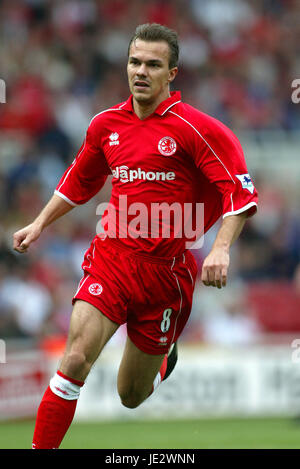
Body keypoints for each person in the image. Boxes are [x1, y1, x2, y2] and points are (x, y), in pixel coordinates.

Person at [13, 23, 258, 449]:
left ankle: (163, 361)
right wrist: (39, 223)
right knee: (74, 359)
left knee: (130, 396)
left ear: (172, 73)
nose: (141, 71)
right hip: (112, 259)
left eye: (152, 64)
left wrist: (221, 248)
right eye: (134, 62)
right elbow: (79, 181)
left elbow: (240, 192)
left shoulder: (199, 130)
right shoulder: (105, 125)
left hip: (167, 276)